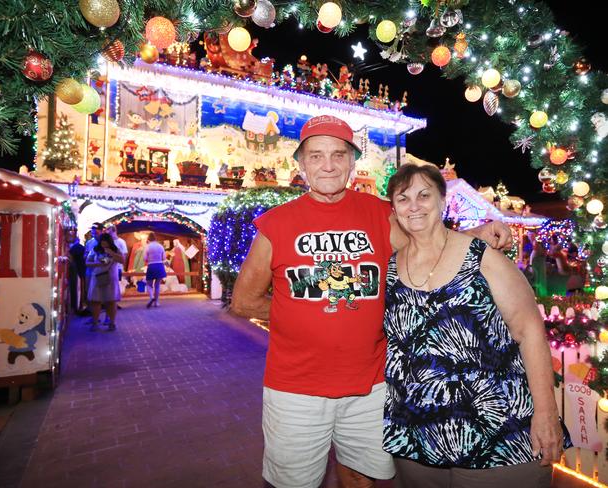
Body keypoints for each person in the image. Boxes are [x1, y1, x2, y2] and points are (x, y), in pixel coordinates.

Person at [231, 114, 513, 488]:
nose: (327, 165)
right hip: (294, 388)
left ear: (351, 161)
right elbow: (244, 301)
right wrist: (301, 313)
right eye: (315, 156)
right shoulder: (275, 224)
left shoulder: (380, 214)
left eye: (337, 155)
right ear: (300, 164)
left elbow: (428, 243)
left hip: (370, 385)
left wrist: (476, 232)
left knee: (362, 479)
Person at [383, 164, 570, 488]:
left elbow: (529, 331)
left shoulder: (484, 259)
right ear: (394, 210)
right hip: (416, 440)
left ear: (443, 202)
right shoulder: (390, 267)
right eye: (404, 198)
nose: (414, 205)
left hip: (497, 439)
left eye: (424, 195)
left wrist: (545, 414)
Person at [86, 233, 123, 331]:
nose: (103, 244)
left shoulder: (115, 250)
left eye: (105, 242)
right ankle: (95, 322)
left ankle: (112, 322)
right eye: (102, 242)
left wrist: (112, 253)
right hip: (97, 277)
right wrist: (96, 264)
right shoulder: (95, 250)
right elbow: (87, 262)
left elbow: (122, 260)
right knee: (95, 301)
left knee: (111, 301)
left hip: (111, 278)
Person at [105, 224, 128, 308]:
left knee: (115, 284)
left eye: (109, 230)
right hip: (106, 267)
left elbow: (124, 254)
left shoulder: (121, 242)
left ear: (114, 230)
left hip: (117, 267)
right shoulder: (107, 242)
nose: (107, 232)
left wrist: (122, 264)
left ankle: (114, 302)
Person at [144, 232, 167, 308]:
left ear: (148, 239)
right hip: (160, 265)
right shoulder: (160, 246)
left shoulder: (147, 247)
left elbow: (145, 258)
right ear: (155, 238)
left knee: (149, 284)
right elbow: (164, 258)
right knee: (157, 285)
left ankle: (151, 297)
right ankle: (156, 302)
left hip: (151, 266)